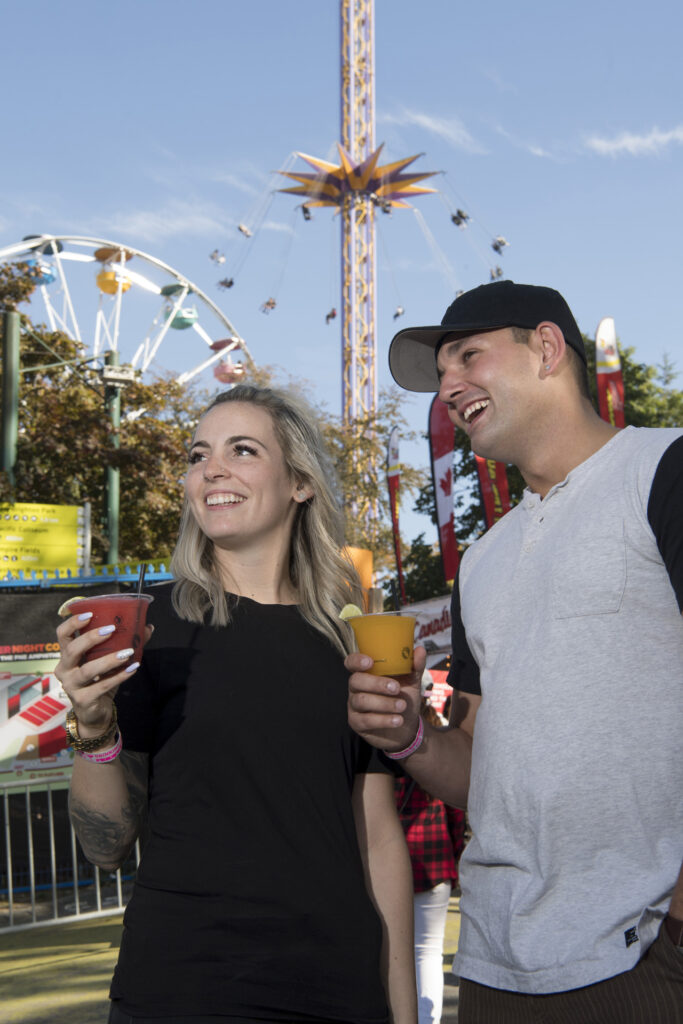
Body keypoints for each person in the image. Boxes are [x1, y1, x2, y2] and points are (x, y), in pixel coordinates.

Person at [347, 280, 683, 1022]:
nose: (448, 388)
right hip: (498, 965)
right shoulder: (482, 560)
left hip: (645, 957)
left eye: (467, 356)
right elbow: (474, 766)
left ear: (547, 348)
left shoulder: (663, 469)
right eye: (438, 377)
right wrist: (405, 734)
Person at [56, 384, 417, 1024]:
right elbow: (104, 846)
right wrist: (92, 725)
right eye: (199, 455)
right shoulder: (147, 629)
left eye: (241, 449)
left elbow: (378, 839)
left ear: (300, 483)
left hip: (337, 987)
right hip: (182, 988)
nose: (211, 470)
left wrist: (402, 1010)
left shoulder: (351, 638)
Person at [396, 696, 465, 1024]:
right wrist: (456, 856)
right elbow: (455, 810)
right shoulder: (440, 744)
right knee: (429, 953)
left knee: (396, 954)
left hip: (396, 860)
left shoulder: (385, 743)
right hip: (435, 859)